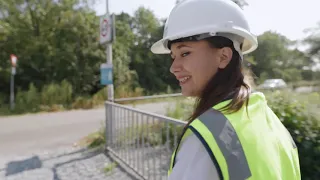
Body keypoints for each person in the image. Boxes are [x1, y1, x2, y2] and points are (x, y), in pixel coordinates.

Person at [150, 0, 301, 179]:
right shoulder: (266, 117)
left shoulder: (208, 139)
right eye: (173, 57)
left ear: (223, 56)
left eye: (185, 53)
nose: (173, 67)